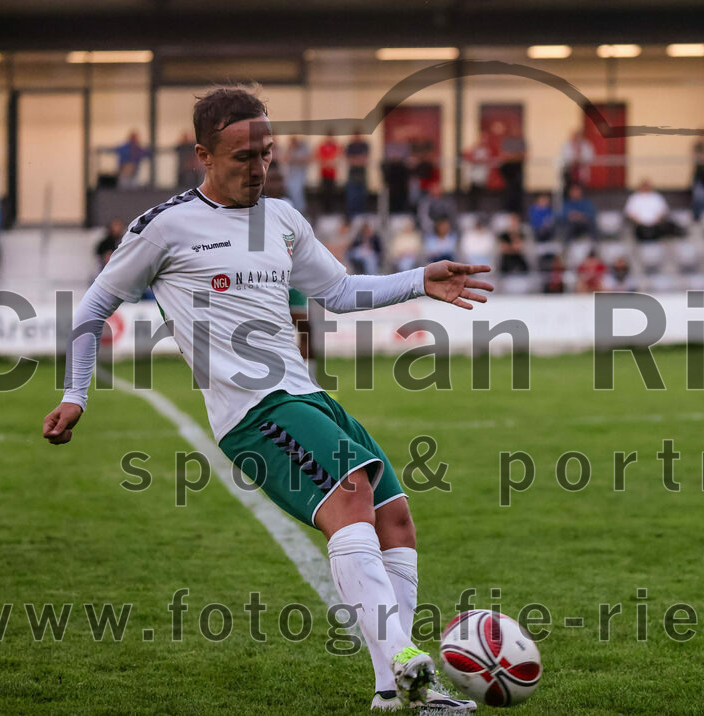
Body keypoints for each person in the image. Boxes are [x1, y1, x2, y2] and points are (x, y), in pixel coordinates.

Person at [41, 86, 487, 713]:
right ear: (203, 155)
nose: (258, 169)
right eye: (242, 158)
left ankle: (394, 687)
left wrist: (419, 279)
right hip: (252, 412)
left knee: (395, 520)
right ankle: (409, 664)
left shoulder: (280, 218)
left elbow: (338, 290)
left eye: (267, 155)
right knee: (352, 501)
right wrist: (75, 393)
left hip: (306, 396)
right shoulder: (165, 227)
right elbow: (93, 307)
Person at [498, 124, 526, 213]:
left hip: (518, 169)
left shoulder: (521, 141)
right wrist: (516, 155)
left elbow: (525, 155)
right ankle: (507, 210)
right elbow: (503, 155)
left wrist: (512, 156)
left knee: (517, 192)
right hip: (508, 170)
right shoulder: (507, 141)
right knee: (508, 191)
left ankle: (517, 211)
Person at [462, 133, 492, 212]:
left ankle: (480, 212)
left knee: (481, 196)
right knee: (472, 196)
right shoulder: (474, 149)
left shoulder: (486, 150)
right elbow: (467, 156)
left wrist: (478, 161)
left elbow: (486, 160)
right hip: (473, 176)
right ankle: (471, 211)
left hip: (481, 177)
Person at [559, 130, 595, 197]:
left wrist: (581, 160)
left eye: (578, 136)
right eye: (575, 136)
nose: (577, 138)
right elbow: (563, 156)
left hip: (581, 171)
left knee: (581, 188)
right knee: (569, 188)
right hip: (570, 171)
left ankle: (580, 201)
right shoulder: (566, 145)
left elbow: (590, 157)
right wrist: (572, 160)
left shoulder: (586, 145)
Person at [345, 130, 370, 219]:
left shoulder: (364, 145)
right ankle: (352, 217)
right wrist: (358, 159)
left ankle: (361, 217)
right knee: (352, 198)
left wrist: (355, 159)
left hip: (362, 176)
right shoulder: (350, 146)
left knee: (362, 198)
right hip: (352, 176)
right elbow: (349, 160)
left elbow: (364, 159)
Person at [283, 137, 311, 214]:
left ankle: (301, 211)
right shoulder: (290, 150)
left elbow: (307, 159)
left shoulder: (302, 150)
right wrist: (290, 150)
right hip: (291, 175)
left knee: (298, 193)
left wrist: (295, 159)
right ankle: (293, 210)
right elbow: (284, 159)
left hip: (300, 175)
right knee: (290, 192)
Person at [317, 131, 340, 214]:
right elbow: (319, 158)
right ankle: (325, 210)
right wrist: (327, 163)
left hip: (332, 174)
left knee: (332, 191)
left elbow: (337, 158)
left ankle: (331, 209)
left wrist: (330, 163)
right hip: (324, 173)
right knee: (324, 192)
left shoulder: (335, 146)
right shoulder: (322, 146)